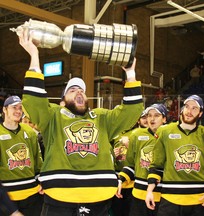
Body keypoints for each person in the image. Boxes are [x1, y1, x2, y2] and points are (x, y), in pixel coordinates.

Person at [18, 28, 143, 216]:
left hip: (99, 197)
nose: (79, 92)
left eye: (82, 90)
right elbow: (33, 101)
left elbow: (132, 112)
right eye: (72, 90)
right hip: (60, 196)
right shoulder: (53, 116)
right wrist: (34, 56)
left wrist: (131, 74)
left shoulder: (101, 117)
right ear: (63, 100)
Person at [145, 95, 204, 216]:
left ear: (201, 113)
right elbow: (157, 165)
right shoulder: (165, 132)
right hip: (170, 199)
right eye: (187, 107)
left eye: (194, 108)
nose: (189, 111)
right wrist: (149, 190)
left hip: (200, 199)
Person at [117, 103, 168, 216]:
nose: (152, 119)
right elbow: (131, 165)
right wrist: (120, 180)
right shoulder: (137, 135)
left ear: (164, 119)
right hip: (139, 195)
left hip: (163, 196)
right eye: (149, 115)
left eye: (156, 115)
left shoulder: (170, 135)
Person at [0, 96, 43, 216]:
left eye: (20, 108)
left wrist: (42, 181)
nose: (18, 111)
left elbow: (38, 161)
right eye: (14, 107)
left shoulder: (29, 132)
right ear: (5, 109)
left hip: (32, 194)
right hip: (8, 196)